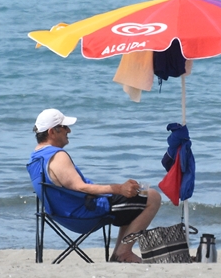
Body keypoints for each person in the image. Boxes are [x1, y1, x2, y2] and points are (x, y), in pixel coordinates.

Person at [27, 108, 160, 263]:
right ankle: (123, 253)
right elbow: (81, 187)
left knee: (133, 200)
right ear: (52, 132)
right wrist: (119, 189)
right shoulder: (57, 156)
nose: (68, 130)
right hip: (84, 213)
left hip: (62, 214)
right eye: (64, 127)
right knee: (152, 197)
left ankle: (120, 253)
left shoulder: (36, 158)